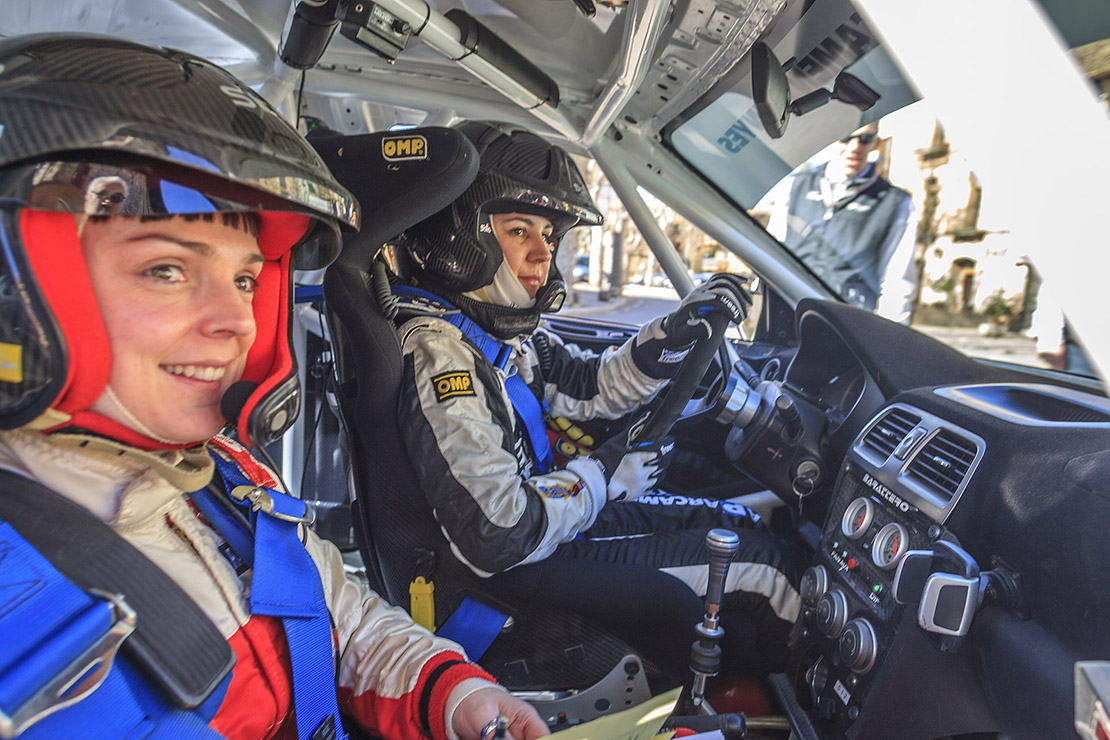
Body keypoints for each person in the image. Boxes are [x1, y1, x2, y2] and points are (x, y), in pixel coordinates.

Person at [0, 35, 547, 740]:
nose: (236, 321)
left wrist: (444, 689)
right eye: (166, 270)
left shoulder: (220, 472)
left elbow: (328, 610)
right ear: (17, 287)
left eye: (247, 279)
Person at [392, 122, 803, 682]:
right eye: (519, 231)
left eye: (550, 236)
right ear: (459, 235)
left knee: (736, 520)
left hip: (549, 532)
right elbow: (497, 533)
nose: (543, 254)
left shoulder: (494, 331)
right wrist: (606, 477)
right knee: (769, 573)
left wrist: (674, 333)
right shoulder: (440, 355)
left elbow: (589, 386)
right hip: (512, 570)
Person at [767, 120, 918, 323]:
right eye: (846, 137)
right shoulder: (794, 186)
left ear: (876, 143)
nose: (855, 147)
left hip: (846, 324)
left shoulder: (896, 202)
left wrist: (889, 342)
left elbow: (897, 281)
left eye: (865, 139)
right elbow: (770, 257)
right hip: (785, 315)